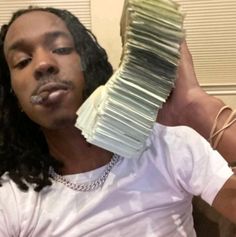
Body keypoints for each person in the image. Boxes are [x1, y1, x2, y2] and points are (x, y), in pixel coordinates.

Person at [0, 6, 236, 237]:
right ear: (15, 96)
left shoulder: (166, 146)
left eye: (61, 49)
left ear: (87, 65)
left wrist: (198, 107)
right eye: (22, 61)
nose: (42, 64)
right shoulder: (11, 198)